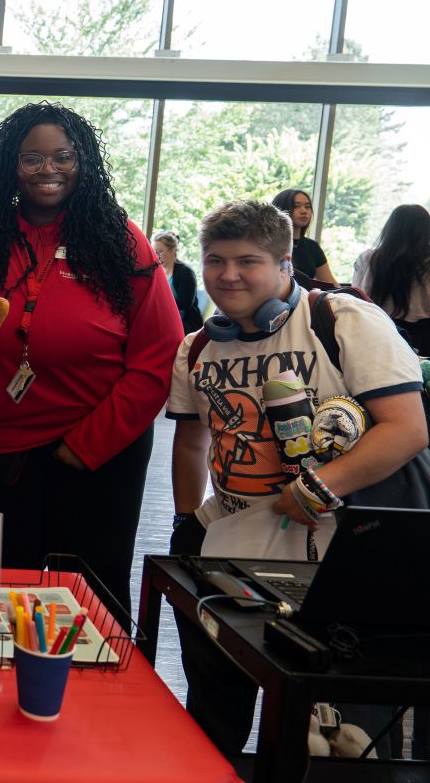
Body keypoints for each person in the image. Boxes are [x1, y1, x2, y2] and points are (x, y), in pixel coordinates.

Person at [167, 199, 426, 757]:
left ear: (286, 264)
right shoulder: (199, 346)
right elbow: (191, 440)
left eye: (247, 261)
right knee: (216, 703)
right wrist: (187, 519)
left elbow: (406, 429)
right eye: (215, 260)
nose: (227, 275)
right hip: (232, 542)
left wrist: (317, 486)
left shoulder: (344, 320)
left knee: (339, 726)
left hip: (341, 550)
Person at [0, 102, 183, 621]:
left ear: (84, 162)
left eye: (62, 156)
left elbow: (156, 358)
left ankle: (91, 703)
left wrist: (87, 446)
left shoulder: (122, 243)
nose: (47, 169)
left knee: (85, 607)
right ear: (10, 165)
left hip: (92, 458)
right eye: (31, 157)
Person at [352, 203, 430, 355]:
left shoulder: (368, 259)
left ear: (390, 229)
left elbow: (356, 296)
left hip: (378, 331)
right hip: (425, 337)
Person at [271, 188, 337, 284]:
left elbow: (332, 284)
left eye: (307, 206)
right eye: (296, 206)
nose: (304, 211)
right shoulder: (269, 244)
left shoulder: (312, 247)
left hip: (306, 297)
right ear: (281, 209)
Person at [153, 230, 204, 334]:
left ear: (172, 250)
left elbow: (185, 304)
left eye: (159, 252)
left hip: (187, 323)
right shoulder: (157, 271)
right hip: (168, 318)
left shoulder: (186, 272)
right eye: (154, 252)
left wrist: (159, 302)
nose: (155, 255)